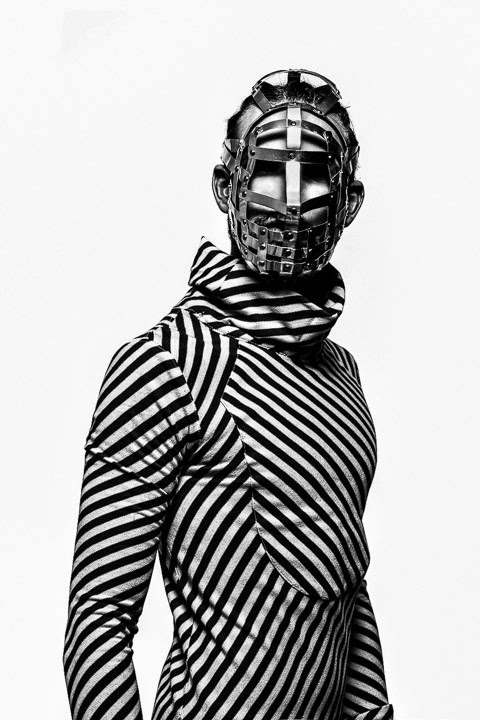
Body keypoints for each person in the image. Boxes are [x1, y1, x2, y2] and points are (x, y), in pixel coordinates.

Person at [63, 69, 395, 720]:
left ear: (350, 202)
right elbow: (98, 621)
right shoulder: (167, 364)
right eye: (270, 172)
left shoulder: (342, 372)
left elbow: (343, 586)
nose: (291, 203)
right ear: (226, 186)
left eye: (314, 177)